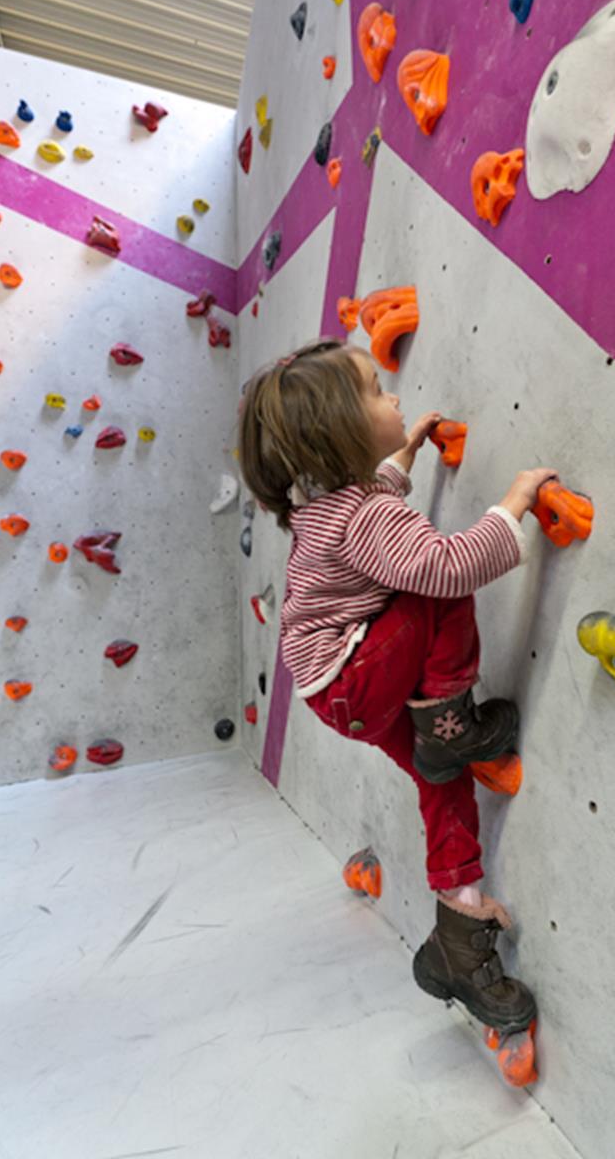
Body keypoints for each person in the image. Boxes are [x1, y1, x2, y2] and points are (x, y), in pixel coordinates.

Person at [237, 337, 556, 1038]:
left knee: (443, 785)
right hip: (353, 677)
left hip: (342, 688)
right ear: (341, 430)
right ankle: (450, 725)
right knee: (438, 575)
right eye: (379, 393)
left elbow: (377, 493)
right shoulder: (364, 516)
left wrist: (404, 453)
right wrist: (513, 505)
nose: (395, 398)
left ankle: (458, 942)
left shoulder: (334, 502)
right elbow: (438, 565)